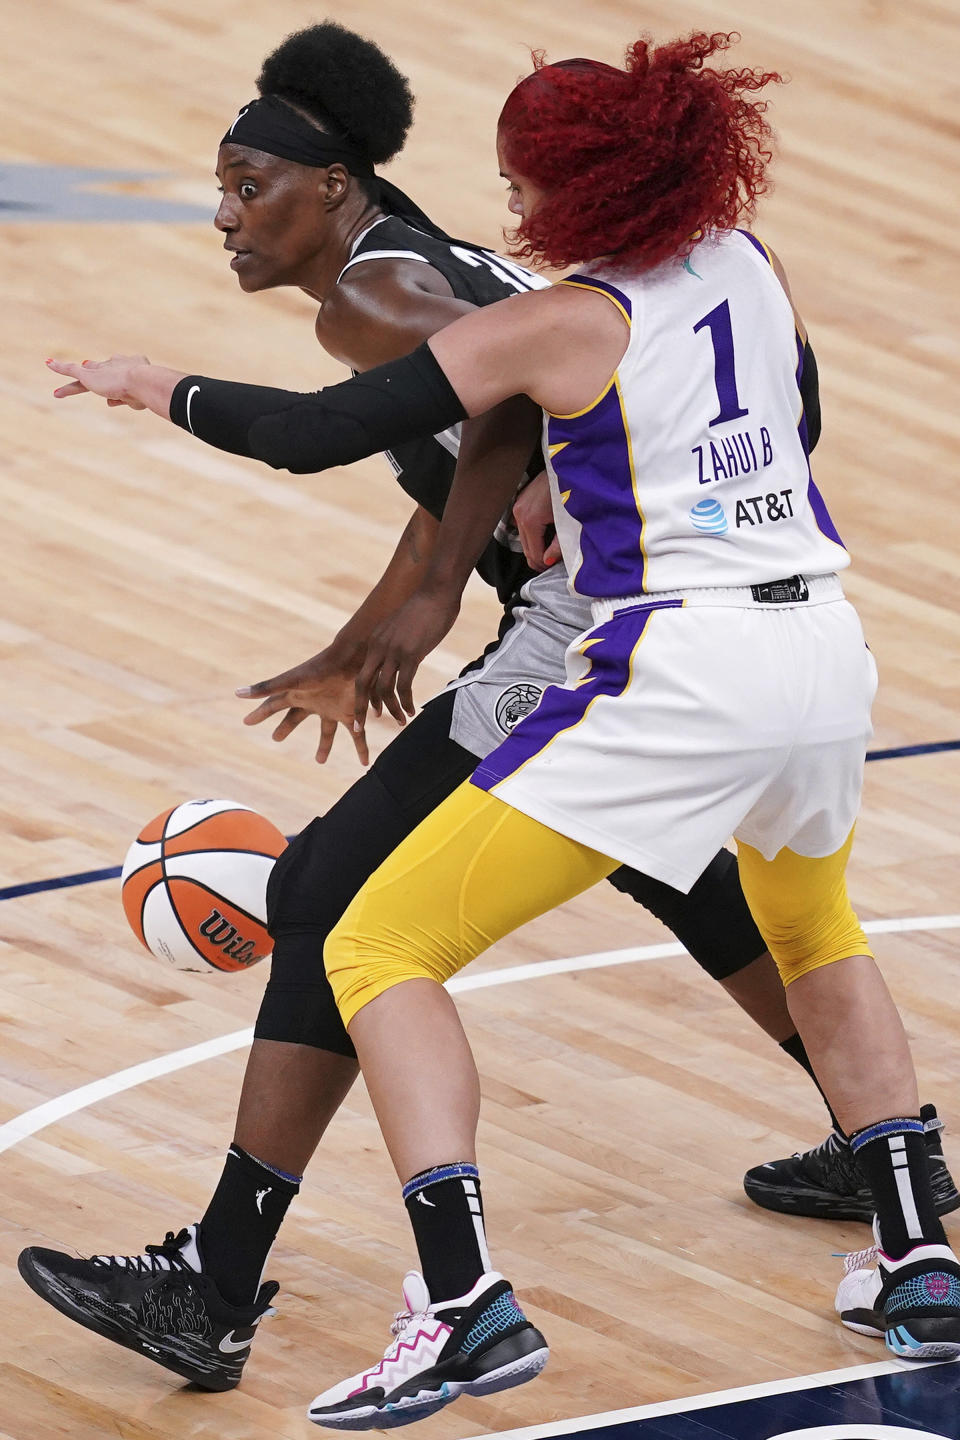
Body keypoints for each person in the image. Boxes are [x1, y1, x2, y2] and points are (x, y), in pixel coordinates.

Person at [29, 29, 960, 1428]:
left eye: (530, 183)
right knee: (767, 910)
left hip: (637, 651)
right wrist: (458, 563)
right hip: (815, 643)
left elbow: (347, 425)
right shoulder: (746, 264)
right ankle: (912, 1220)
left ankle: (345, 1299)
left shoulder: (471, 304)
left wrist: (154, 385)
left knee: (357, 923)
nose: (516, 210)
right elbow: (793, 407)